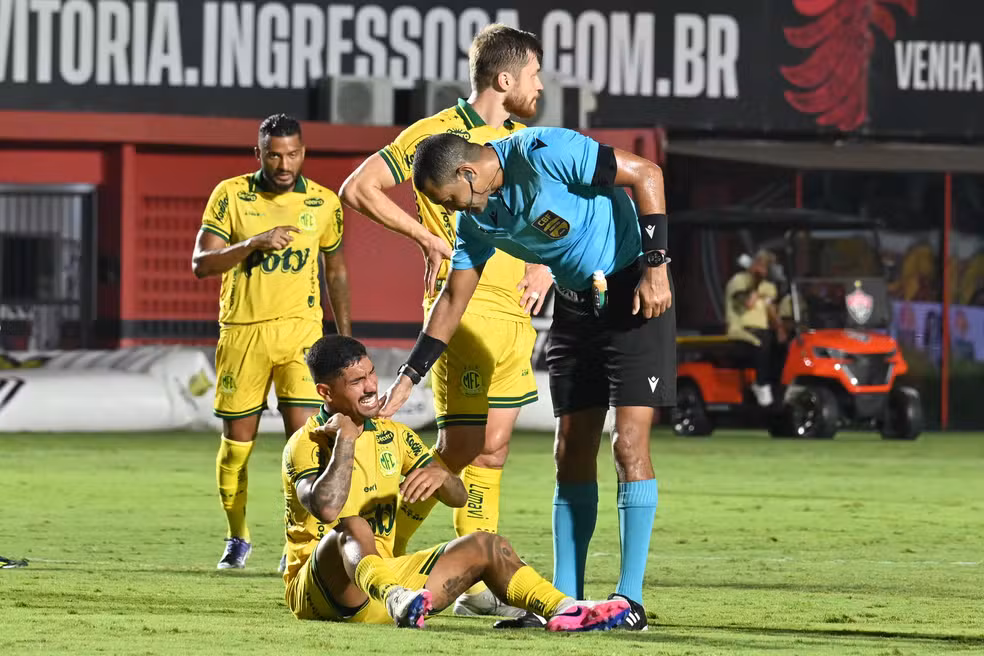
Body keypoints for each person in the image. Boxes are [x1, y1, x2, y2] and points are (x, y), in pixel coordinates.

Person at [379, 127, 677, 631]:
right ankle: (565, 600)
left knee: (628, 446)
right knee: (569, 450)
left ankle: (630, 599)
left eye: (452, 199)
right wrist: (409, 376)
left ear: (469, 172)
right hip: (577, 306)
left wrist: (656, 268)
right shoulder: (478, 220)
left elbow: (648, 174)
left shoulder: (545, 152)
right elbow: (453, 300)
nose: (456, 213)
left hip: (633, 296)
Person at [339, 24, 553, 617]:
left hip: (514, 310)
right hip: (464, 308)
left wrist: (545, 269)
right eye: (534, 73)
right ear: (503, 78)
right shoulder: (437, 134)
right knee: (467, 448)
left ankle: (469, 579)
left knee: (491, 450)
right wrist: (428, 237)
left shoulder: (522, 141)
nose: (540, 84)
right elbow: (358, 189)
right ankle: (395, 554)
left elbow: (543, 219)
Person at [282, 334, 630, 632]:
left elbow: (458, 496)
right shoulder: (306, 443)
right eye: (356, 381)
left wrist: (442, 476)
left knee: (486, 544)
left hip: (390, 586)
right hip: (320, 593)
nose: (372, 386)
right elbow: (326, 507)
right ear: (325, 392)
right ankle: (396, 597)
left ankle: (565, 609)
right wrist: (344, 440)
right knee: (352, 526)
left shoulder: (394, 435)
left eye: (371, 373)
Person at [192, 114, 352, 570]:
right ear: (258, 153)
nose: (285, 163)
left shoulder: (324, 202)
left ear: (304, 151)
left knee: (304, 444)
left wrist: (342, 337)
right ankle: (237, 536)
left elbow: (336, 271)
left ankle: (297, 544)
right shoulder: (230, 195)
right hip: (243, 333)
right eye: (275, 154)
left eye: (293, 153)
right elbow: (201, 263)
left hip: (301, 334)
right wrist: (254, 242)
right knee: (237, 445)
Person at [725, 250, 785, 407]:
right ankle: (760, 383)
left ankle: (778, 387)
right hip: (741, 330)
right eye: (763, 264)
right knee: (763, 339)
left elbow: (770, 309)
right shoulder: (738, 281)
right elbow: (748, 303)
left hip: (762, 330)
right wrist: (757, 284)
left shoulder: (769, 287)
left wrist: (780, 328)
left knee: (783, 345)